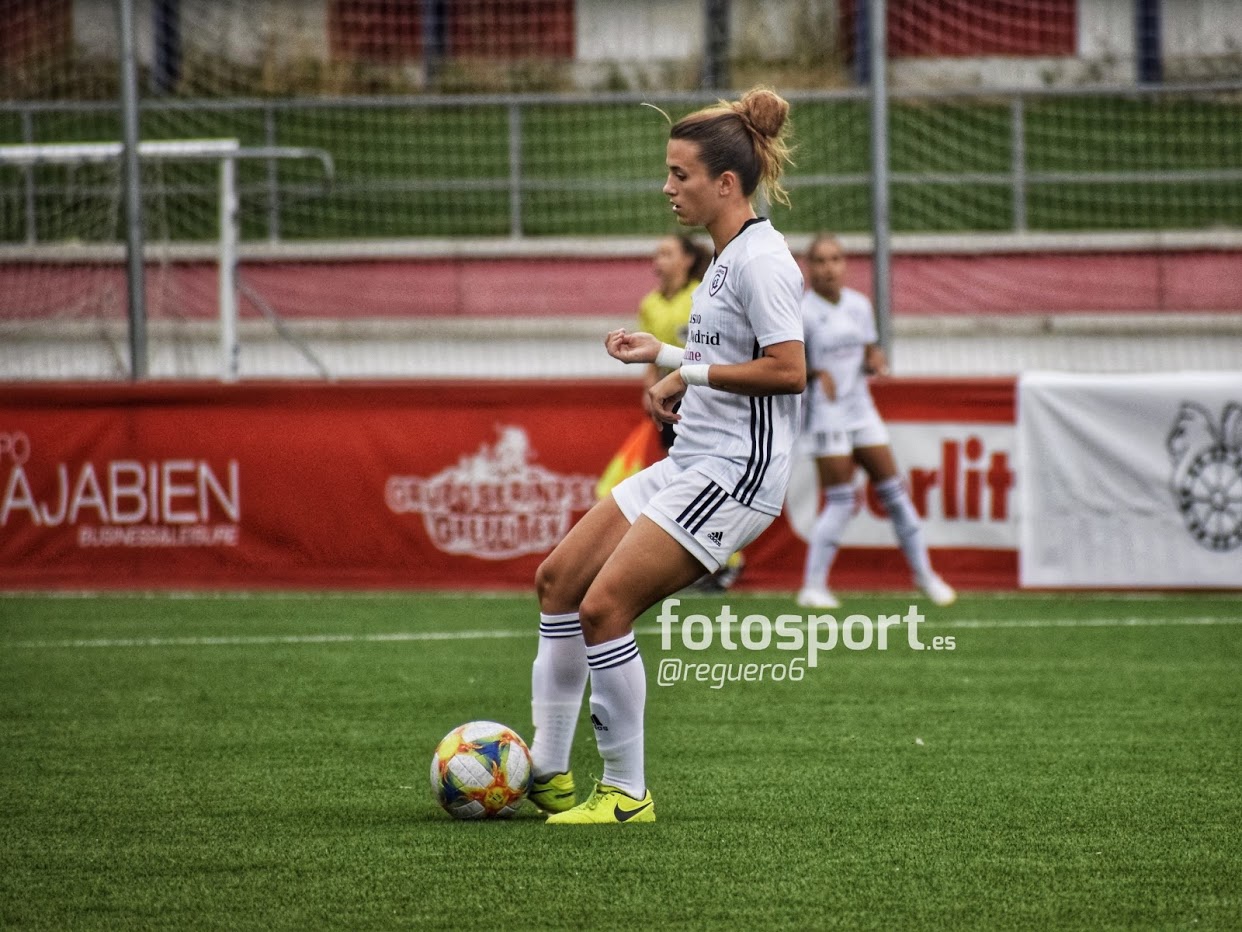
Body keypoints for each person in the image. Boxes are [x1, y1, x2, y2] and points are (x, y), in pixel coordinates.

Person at [527, 86, 805, 824]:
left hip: (736, 472)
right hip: (692, 462)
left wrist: (687, 368)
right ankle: (546, 773)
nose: (667, 187)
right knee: (558, 581)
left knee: (604, 608)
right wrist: (670, 361)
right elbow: (725, 351)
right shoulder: (725, 257)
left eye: (680, 174)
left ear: (725, 183)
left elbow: (789, 370)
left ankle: (626, 794)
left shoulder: (762, 262)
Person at [795, 233, 957, 610]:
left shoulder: (859, 306)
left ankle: (925, 576)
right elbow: (788, 367)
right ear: (809, 268)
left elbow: (868, 352)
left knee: (896, 494)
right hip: (826, 414)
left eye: (835, 259)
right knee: (841, 501)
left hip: (861, 410)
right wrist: (815, 373)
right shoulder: (802, 312)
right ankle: (813, 586)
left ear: (845, 264)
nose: (829, 268)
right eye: (820, 260)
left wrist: (875, 361)